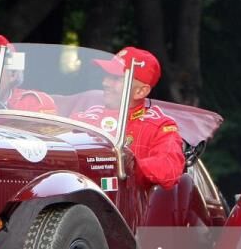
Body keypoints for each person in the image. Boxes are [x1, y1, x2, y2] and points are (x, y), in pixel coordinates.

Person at [73, 47, 185, 189]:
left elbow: (170, 169)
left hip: (126, 208)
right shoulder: (86, 117)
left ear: (140, 91)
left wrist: (126, 163)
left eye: (116, 78)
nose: (105, 83)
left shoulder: (160, 126)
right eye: (107, 76)